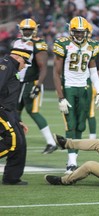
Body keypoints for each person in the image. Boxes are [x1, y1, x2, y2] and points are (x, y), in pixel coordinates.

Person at [53, 16, 99, 174]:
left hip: (85, 88)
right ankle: (71, 162)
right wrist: (60, 96)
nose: (80, 35)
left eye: (82, 32)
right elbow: (56, 72)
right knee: (71, 125)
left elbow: (93, 70)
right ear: (71, 31)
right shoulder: (64, 44)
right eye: (77, 32)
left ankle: (74, 158)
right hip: (69, 87)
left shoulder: (92, 46)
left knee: (81, 126)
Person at [11, 18, 57, 154]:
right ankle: (16, 141)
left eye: (29, 30)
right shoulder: (17, 42)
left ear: (34, 30)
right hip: (17, 82)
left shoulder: (39, 44)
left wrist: (38, 85)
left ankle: (51, 142)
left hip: (31, 82)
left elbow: (43, 67)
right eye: (25, 30)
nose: (27, 32)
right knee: (14, 112)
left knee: (33, 111)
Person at [0, 48, 31, 185]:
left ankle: (11, 178)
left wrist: (18, 120)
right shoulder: (5, 65)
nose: (24, 66)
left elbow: (10, 98)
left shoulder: (12, 68)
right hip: (2, 110)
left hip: (9, 112)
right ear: (18, 58)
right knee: (12, 142)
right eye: (24, 62)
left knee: (20, 143)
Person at [86, 23, 99, 139]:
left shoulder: (94, 46)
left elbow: (98, 68)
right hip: (74, 83)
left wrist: (98, 89)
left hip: (89, 81)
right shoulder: (70, 46)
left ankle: (92, 138)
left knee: (90, 112)